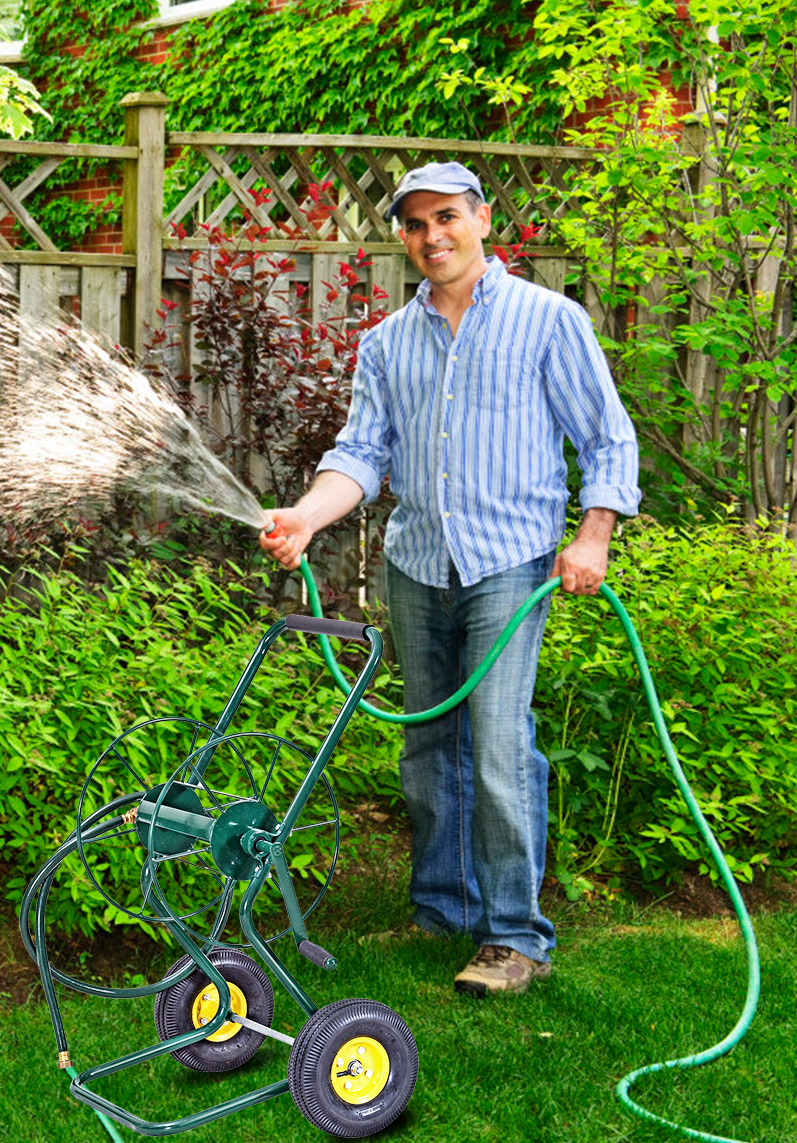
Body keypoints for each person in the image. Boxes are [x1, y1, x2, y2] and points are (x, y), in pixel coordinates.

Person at [260, 161, 640, 997]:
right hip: (417, 565)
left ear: (480, 220)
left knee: (499, 745)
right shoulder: (388, 343)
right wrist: (307, 516)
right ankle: (442, 906)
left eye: (446, 218)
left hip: (510, 564)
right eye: (414, 224)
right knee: (429, 743)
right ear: (402, 236)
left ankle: (515, 936)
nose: (432, 237)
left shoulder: (548, 321)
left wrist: (594, 536)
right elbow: (360, 455)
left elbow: (608, 440)